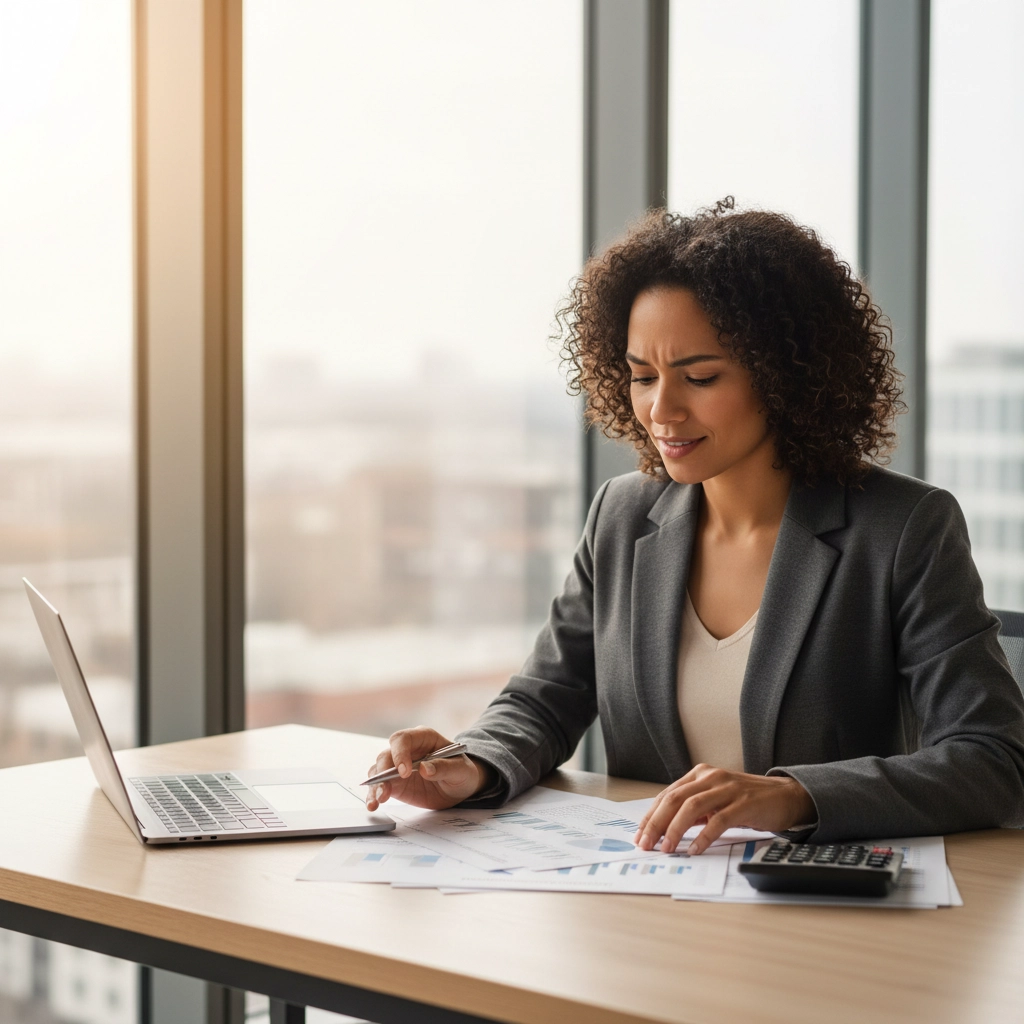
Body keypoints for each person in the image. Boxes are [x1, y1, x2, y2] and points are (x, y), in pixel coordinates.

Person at [364, 198, 1024, 854]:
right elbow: (545, 698)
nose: (661, 408)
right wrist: (468, 765)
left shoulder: (904, 528)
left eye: (700, 377)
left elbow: (992, 758)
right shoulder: (620, 516)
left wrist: (795, 795)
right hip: (648, 899)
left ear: (784, 376)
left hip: (816, 911)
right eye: (641, 376)